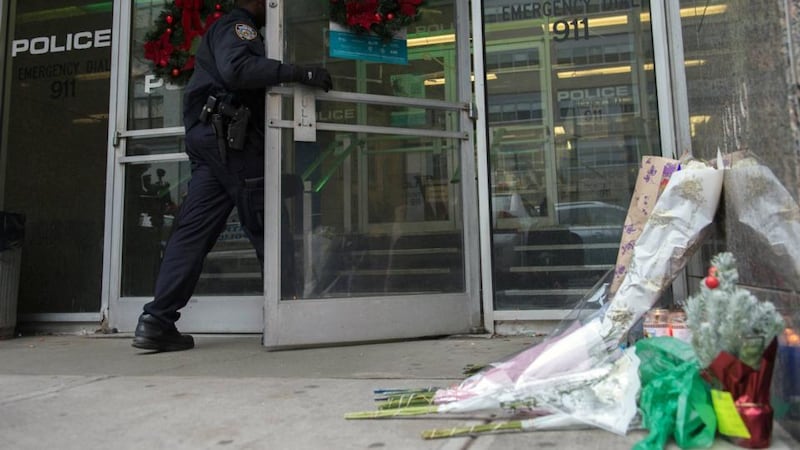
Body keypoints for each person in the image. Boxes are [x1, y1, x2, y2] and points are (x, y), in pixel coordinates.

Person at [132, 0, 332, 352]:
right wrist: (299, 73)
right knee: (270, 225)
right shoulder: (237, 26)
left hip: (215, 144)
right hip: (231, 142)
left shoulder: (225, 28)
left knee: (192, 232)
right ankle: (286, 320)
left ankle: (156, 321)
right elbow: (237, 69)